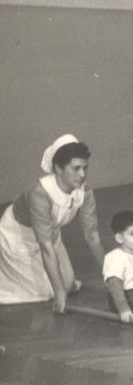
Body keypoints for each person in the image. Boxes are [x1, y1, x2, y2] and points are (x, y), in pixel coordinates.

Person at [0, 134, 105, 313]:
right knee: (46, 292)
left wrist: (111, 277)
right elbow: (46, 247)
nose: (82, 174)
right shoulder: (39, 194)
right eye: (76, 168)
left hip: (49, 234)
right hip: (18, 238)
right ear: (57, 168)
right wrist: (59, 295)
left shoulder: (84, 191)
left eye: (85, 168)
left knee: (69, 285)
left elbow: (92, 236)